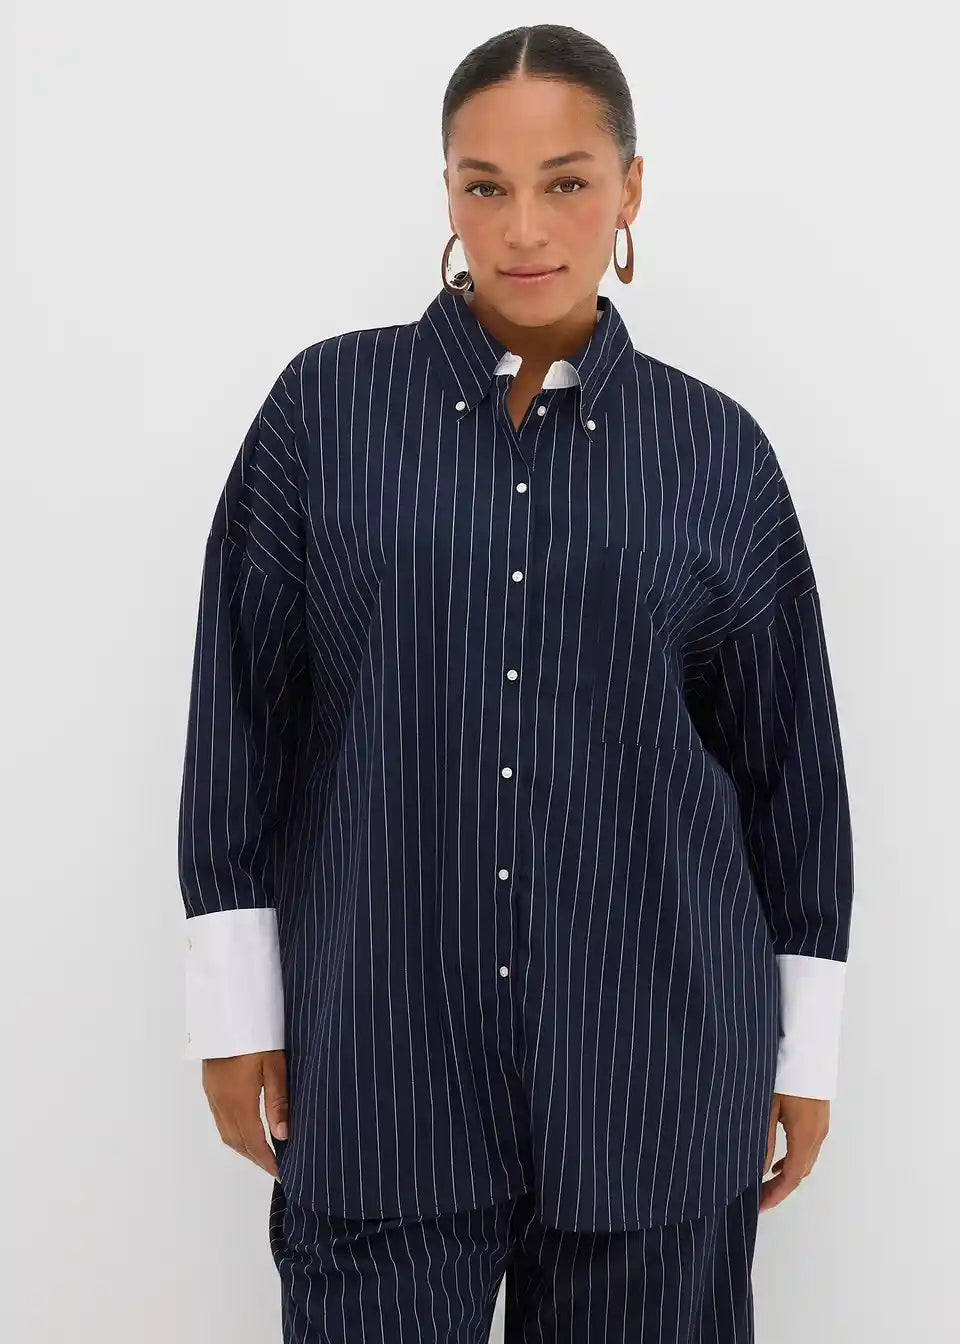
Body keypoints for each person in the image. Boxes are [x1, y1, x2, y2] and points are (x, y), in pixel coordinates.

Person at [176, 22, 854, 1343]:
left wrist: (804, 1050)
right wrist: (234, 1009)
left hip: (659, 1070)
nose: (526, 227)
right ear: (447, 193)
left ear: (631, 189)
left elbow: (791, 768)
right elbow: (240, 716)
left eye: (567, 181)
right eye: (486, 184)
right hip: (380, 1060)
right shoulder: (326, 415)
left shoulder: (715, 453)